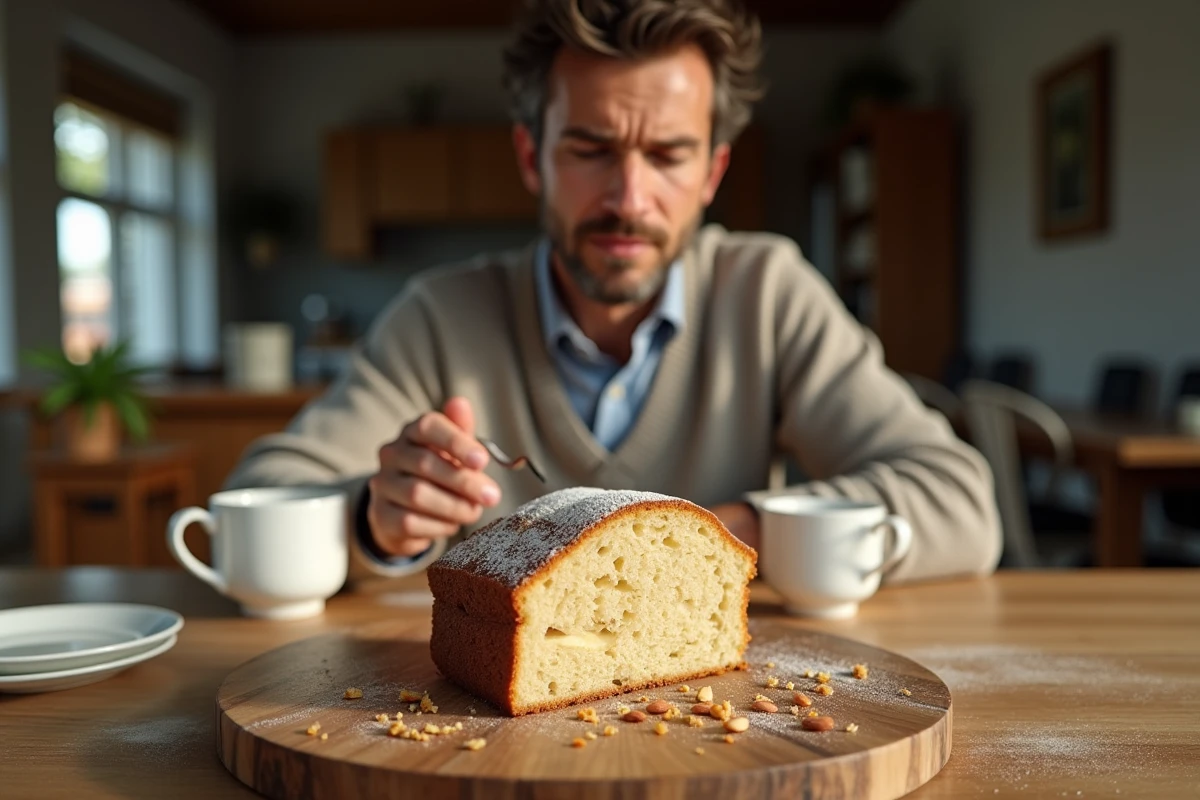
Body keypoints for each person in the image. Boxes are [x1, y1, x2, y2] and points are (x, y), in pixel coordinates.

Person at [226, 0, 1001, 585]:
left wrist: (711, 538)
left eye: (668, 154)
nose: (630, 197)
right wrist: (375, 519)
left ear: (712, 174)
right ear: (533, 158)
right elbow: (260, 499)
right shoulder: (440, 316)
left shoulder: (768, 293)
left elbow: (960, 504)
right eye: (592, 149)